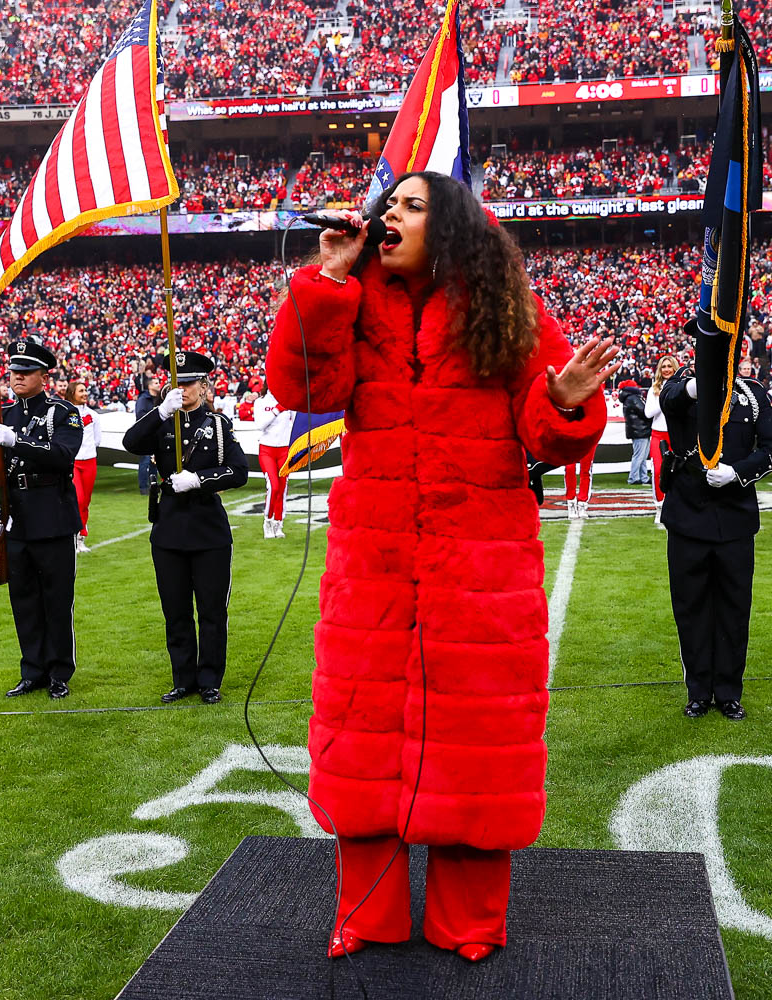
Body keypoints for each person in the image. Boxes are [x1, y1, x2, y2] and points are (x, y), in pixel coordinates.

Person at [265, 172, 617, 963]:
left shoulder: (508, 312)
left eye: (410, 207)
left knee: (475, 750)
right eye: (387, 206)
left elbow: (552, 440)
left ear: (451, 228)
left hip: (480, 566)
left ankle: (470, 922)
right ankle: (366, 915)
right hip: (375, 563)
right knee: (364, 746)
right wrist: (326, 279)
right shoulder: (350, 298)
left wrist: (562, 400)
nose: (389, 216)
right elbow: (304, 391)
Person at [659, 333, 772, 721]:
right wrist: (703, 384)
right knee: (691, 606)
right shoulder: (683, 386)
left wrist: (738, 473)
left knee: (733, 607)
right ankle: (698, 690)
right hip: (688, 515)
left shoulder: (752, 393)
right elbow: (672, 401)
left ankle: (729, 691)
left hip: (734, 515)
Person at [123, 351, 248, 704]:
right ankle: (183, 678)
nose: (183, 389)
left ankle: (209, 679)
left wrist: (200, 479)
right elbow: (131, 443)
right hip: (170, 528)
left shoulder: (218, 425)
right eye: (177, 382)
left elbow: (239, 471)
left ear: (204, 386)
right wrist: (161, 411)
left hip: (208, 528)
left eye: (189, 382)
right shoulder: (163, 421)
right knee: (175, 609)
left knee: (211, 609)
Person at [0, 338, 83, 700]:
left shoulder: (63, 412)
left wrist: (18, 442)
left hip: (53, 515)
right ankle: (32, 670)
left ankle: (59, 671)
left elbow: (62, 456)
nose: (17, 378)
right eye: (14, 372)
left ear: (44, 375)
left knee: (57, 598)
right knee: (23, 598)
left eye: (26, 372)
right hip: (18, 519)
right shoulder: (3, 416)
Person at [64, 379, 103, 553]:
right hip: (73, 462)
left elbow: (97, 439)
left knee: (85, 501)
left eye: (86, 390)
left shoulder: (93, 415)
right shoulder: (64, 414)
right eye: (81, 391)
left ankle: (81, 538)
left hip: (90, 461)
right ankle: (71, 534)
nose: (85, 393)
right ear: (72, 394)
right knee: (77, 499)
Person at [253, 384, 295, 538]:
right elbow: (260, 425)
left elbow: (295, 422)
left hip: (284, 450)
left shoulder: (289, 401)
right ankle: (268, 522)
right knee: (273, 486)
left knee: (283, 487)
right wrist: (277, 410)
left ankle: (279, 523)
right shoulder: (260, 402)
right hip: (267, 450)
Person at [646, 354, 680, 527]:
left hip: (676, 434)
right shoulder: (654, 389)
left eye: (669, 366)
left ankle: (675, 506)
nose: (667, 369)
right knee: (658, 470)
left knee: (679, 472)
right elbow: (648, 413)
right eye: (663, 366)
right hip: (658, 435)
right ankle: (659, 507)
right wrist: (663, 397)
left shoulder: (681, 386)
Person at [133, 375, 162, 495]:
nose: (158, 384)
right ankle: (144, 487)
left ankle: (153, 485)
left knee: (155, 462)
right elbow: (140, 416)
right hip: (145, 434)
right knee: (145, 461)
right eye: (155, 383)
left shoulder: (159, 399)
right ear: (149, 386)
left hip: (156, 433)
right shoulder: (143, 399)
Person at [619, 378, 652, 486]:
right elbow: (644, 412)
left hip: (638, 430)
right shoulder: (634, 398)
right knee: (639, 455)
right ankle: (633, 477)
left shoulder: (628, 398)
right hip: (640, 430)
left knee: (641, 455)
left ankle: (643, 477)